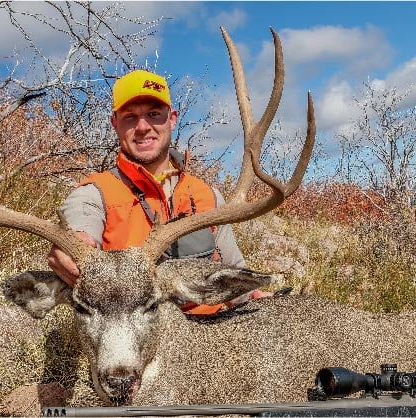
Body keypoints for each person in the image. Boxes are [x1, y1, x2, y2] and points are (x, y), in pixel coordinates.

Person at [47, 69, 270, 315]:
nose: (143, 127)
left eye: (154, 114)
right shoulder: (94, 193)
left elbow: (234, 275)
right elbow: (80, 227)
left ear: (172, 119)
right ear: (115, 124)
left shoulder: (207, 196)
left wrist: (257, 297)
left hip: (208, 331)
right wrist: (72, 248)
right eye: (130, 117)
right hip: (132, 330)